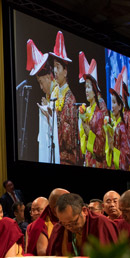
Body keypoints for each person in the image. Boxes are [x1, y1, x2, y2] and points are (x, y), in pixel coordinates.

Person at [37, 193, 118, 258]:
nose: (69, 228)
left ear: (84, 211)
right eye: (65, 224)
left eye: (73, 223)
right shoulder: (60, 229)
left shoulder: (101, 224)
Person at [49, 31, 80, 166]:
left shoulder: (70, 99)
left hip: (66, 157)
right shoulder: (55, 92)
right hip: (55, 152)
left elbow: (69, 137)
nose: (55, 71)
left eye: (58, 67)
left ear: (65, 71)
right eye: (54, 67)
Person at [26, 39, 59, 164]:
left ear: (48, 77)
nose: (40, 87)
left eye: (41, 82)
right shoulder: (50, 95)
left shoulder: (59, 94)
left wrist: (50, 114)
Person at [77, 52, 109, 168]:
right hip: (87, 160)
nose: (86, 90)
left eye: (89, 87)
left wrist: (87, 130)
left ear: (95, 92)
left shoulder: (99, 114)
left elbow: (100, 147)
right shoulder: (86, 110)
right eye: (85, 87)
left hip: (97, 163)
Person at [107, 66, 130, 170]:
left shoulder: (126, 120)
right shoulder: (116, 121)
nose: (112, 106)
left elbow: (129, 154)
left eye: (115, 102)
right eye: (112, 102)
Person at [26, 188, 68, 255]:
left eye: (38, 209)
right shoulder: (41, 224)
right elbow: (42, 252)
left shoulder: (69, 219)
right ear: (55, 209)